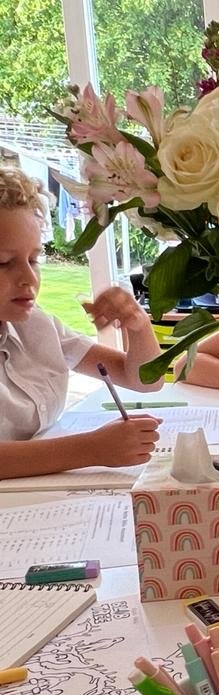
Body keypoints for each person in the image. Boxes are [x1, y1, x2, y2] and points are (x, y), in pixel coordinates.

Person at [0, 167, 162, 477]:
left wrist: (137, 324)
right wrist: (91, 449)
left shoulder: (35, 325)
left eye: (34, 259)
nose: (29, 278)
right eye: (4, 263)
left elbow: (145, 380)